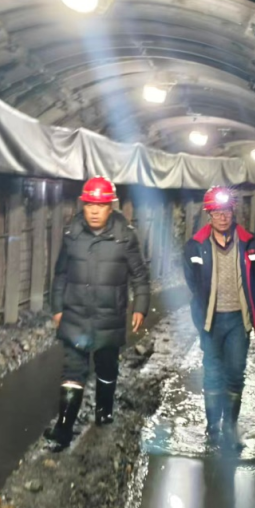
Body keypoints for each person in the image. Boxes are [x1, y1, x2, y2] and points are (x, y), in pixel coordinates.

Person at [43, 176, 151, 452]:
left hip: (109, 316)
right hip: (76, 315)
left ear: (110, 207)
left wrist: (140, 306)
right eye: (89, 204)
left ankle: (104, 411)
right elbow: (60, 274)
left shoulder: (125, 236)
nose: (93, 211)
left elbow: (139, 276)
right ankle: (63, 429)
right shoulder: (72, 233)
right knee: (73, 371)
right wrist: (57, 307)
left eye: (100, 206)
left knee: (106, 366)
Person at [183, 186, 255, 450]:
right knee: (212, 373)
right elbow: (193, 282)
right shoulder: (195, 246)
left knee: (235, 372)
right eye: (216, 212)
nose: (222, 217)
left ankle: (230, 426)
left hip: (238, 320)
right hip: (210, 321)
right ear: (209, 214)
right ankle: (213, 427)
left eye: (226, 211)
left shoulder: (251, 243)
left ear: (233, 212)